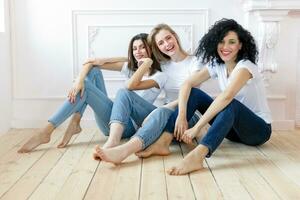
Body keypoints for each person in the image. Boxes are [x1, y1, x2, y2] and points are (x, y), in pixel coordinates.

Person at [18, 33, 166, 153]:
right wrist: (79, 80)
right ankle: (76, 119)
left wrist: (145, 63)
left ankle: (46, 131)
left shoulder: (158, 76)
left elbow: (130, 85)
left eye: (142, 47)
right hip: (112, 119)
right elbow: (91, 63)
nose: (138, 52)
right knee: (93, 72)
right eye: (134, 48)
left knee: (90, 88)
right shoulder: (131, 67)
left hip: (126, 127)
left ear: (150, 49)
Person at [160, 18, 272, 175]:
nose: (225, 47)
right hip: (232, 131)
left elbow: (226, 97)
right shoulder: (217, 64)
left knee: (230, 103)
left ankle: (198, 156)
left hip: (258, 131)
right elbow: (187, 84)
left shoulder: (246, 67)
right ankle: (163, 141)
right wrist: (182, 115)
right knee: (195, 93)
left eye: (231, 42)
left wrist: (197, 127)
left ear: (240, 45)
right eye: (221, 42)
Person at [93, 24, 204, 163]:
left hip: (188, 114)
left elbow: (192, 93)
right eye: (161, 43)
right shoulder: (164, 65)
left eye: (168, 38)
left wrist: (162, 109)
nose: (167, 44)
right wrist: (104, 60)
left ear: (175, 36)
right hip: (167, 115)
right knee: (124, 93)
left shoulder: (195, 62)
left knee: (160, 112)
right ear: (157, 48)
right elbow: (134, 58)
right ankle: (113, 142)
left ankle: (123, 151)